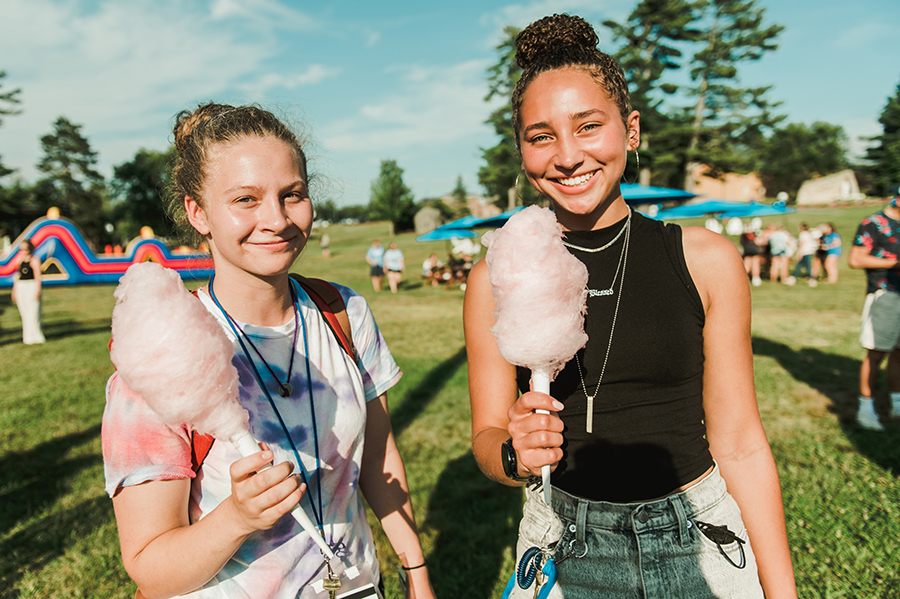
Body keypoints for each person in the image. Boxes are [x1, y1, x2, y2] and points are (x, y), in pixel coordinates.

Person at [464, 15, 796, 599]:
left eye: (588, 127)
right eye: (541, 136)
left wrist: (783, 592)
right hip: (564, 539)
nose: (567, 156)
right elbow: (488, 437)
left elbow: (740, 441)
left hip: (698, 534)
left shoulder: (705, 259)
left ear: (631, 129)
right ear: (521, 149)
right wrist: (515, 453)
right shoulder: (495, 275)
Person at [101, 103, 435, 599]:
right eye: (246, 199)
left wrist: (416, 574)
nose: (276, 219)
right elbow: (150, 567)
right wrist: (235, 518)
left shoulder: (343, 312)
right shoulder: (156, 359)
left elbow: (378, 458)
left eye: (292, 195)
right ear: (199, 212)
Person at [848, 198, 900, 431]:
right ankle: (865, 408)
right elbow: (856, 259)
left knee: (899, 353)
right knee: (876, 353)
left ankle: (896, 403)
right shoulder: (873, 223)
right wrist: (896, 264)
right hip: (885, 294)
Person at [11, 239, 46, 345]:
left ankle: (37, 337)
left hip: (31, 286)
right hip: (21, 287)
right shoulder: (19, 261)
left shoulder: (35, 260)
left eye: (25, 249)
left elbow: (37, 277)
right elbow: (17, 276)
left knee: (33, 312)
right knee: (24, 313)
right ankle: (27, 338)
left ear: (30, 249)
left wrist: (37, 290)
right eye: (21, 249)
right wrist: (14, 290)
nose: (23, 251)